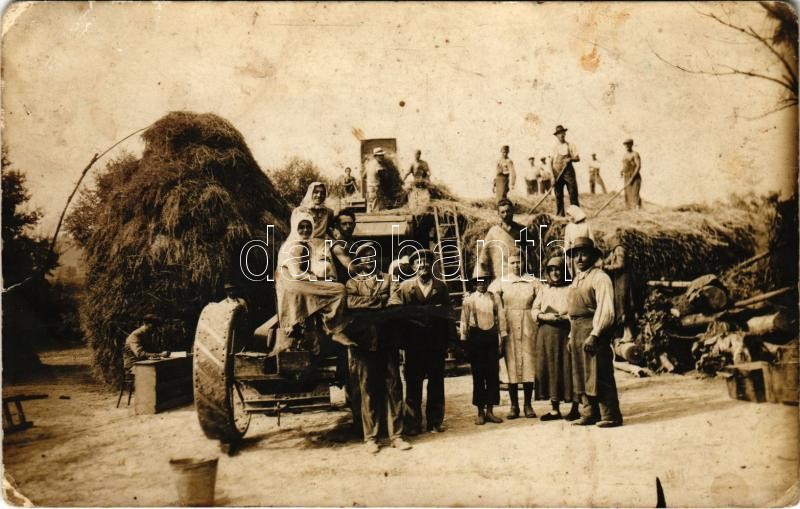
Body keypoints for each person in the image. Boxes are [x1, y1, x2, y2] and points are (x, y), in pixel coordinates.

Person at [345, 243, 411, 453]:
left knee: (394, 387)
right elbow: (351, 304)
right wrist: (378, 301)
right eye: (364, 256)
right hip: (364, 344)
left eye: (372, 255)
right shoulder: (352, 283)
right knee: (368, 389)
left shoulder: (390, 279)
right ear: (358, 261)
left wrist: (370, 305)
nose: (368, 259)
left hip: (387, 341)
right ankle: (370, 438)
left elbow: (395, 302)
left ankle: (397, 436)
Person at [388, 249, 451, 434]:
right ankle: (413, 423)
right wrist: (401, 343)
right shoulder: (405, 287)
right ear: (413, 266)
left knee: (436, 383)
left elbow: (448, 315)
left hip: (436, 344)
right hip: (414, 345)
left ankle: (435, 421)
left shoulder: (441, 287)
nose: (423, 264)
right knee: (413, 383)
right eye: (418, 262)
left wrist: (449, 342)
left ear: (431, 264)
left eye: (426, 261)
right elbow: (397, 315)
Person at [566, 237, 622, 428]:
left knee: (600, 372)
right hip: (577, 331)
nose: (579, 259)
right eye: (576, 255)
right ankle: (589, 413)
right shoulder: (576, 279)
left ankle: (610, 415)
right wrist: (571, 336)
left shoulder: (600, 277)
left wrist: (595, 334)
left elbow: (606, 309)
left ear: (592, 256)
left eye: (584, 254)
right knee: (581, 373)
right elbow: (573, 310)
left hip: (593, 330)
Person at [276, 211, 352, 349]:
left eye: (308, 227)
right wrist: (317, 278)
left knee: (330, 284)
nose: (305, 230)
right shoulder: (293, 245)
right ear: (295, 227)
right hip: (292, 284)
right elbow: (296, 273)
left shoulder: (304, 244)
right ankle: (334, 328)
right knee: (339, 290)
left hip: (298, 282)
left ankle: (326, 328)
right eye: (301, 227)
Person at [532, 255, 580, 421]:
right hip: (546, 334)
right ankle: (554, 409)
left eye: (558, 269)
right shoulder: (545, 289)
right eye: (551, 270)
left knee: (569, 367)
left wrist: (564, 317)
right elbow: (534, 309)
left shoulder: (571, 289)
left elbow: (576, 310)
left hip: (565, 332)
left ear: (564, 271)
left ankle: (575, 407)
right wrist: (543, 316)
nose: (555, 273)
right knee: (550, 368)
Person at [496, 254, 539, 419]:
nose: (516, 265)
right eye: (512, 262)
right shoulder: (501, 282)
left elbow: (541, 300)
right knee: (510, 364)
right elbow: (489, 297)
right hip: (508, 325)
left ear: (524, 262)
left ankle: (528, 405)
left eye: (519, 262)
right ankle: (514, 406)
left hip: (529, 324)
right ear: (507, 264)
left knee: (529, 363)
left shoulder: (533, 281)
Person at [460, 273, 506, 425]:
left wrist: (502, 337)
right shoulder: (469, 299)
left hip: (491, 337)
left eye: (484, 281)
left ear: (488, 282)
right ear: (474, 283)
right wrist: (464, 341)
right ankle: (480, 411)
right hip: (476, 338)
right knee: (478, 376)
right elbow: (464, 320)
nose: (481, 284)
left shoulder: (494, 298)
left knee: (492, 375)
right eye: (478, 281)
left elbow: (501, 317)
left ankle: (490, 411)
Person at [477, 199, 533, 284]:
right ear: (498, 214)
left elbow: (530, 254)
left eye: (508, 211)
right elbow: (484, 257)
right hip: (500, 276)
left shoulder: (522, 230)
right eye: (502, 212)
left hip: (519, 276)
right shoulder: (493, 232)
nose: (506, 214)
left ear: (513, 211)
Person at [602, 230, 636, 343]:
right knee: (620, 305)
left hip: (623, 281)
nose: (606, 245)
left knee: (624, 304)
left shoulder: (619, 249)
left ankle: (629, 333)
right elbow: (606, 260)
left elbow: (621, 264)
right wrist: (602, 263)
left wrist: (608, 267)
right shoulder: (614, 251)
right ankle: (625, 333)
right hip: (618, 281)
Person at [550, 125, 580, 216]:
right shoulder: (553, 147)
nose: (561, 135)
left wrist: (570, 159)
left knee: (573, 194)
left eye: (562, 133)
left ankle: (576, 216)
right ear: (556, 136)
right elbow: (550, 162)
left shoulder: (570, 145)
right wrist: (552, 176)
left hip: (568, 173)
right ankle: (560, 216)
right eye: (559, 134)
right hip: (557, 173)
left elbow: (577, 158)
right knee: (558, 195)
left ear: (565, 133)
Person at [328, 209, 357, 282]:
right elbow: (352, 270)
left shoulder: (353, 244)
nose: (348, 226)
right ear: (337, 226)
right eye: (344, 224)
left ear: (354, 225)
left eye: (350, 223)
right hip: (340, 284)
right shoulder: (336, 245)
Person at [363, 147, 389, 212]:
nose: (382, 157)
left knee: (369, 207)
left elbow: (363, 176)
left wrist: (369, 182)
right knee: (375, 209)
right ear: (375, 156)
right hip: (375, 188)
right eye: (380, 155)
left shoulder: (369, 164)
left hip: (369, 188)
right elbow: (385, 177)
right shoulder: (378, 165)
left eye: (382, 155)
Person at [621, 139, 642, 209]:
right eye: (625, 145)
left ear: (631, 145)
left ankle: (638, 210)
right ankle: (629, 210)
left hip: (635, 176)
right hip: (626, 176)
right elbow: (625, 166)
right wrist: (622, 171)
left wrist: (632, 178)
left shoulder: (635, 154)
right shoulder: (625, 155)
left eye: (628, 144)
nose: (627, 146)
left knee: (635, 193)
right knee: (627, 194)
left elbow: (638, 166)